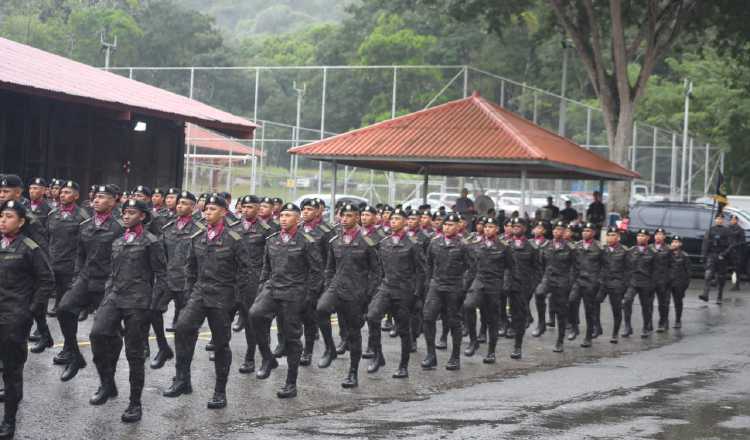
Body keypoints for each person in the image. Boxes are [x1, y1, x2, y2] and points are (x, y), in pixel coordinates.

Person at [163, 195, 251, 409]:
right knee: (183, 329)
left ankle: (220, 391)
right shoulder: (198, 236)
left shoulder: (235, 238)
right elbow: (190, 268)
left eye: (212, 209)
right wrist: (189, 292)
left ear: (223, 212)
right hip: (200, 293)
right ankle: (183, 380)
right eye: (206, 209)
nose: (207, 213)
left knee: (221, 344)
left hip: (223, 296)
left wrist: (237, 301)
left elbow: (245, 272)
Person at [88, 199, 167, 423]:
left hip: (138, 302)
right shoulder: (118, 241)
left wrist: (153, 305)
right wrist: (106, 296)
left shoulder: (151, 242)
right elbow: (113, 273)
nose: (125, 216)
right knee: (97, 334)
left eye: (131, 213)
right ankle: (107, 382)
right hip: (114, 297)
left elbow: (161, 275)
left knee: (134, 354)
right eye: (124, 212)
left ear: (142, 216)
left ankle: (135, 403)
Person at [250, 203, 322, 399]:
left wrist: (309, 297)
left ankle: (291, 383)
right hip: (273, 288)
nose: (283, 218)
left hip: (294, 292)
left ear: (297, 220)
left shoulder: (307, 241)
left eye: (288, 215)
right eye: (281, 215)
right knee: (255, 314)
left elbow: (316, 272)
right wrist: (261, 289)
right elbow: (266, 268)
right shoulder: (272, 240)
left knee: (291, 338)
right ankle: (267, 358)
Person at [55, 185, 124, 382]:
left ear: (112, 202)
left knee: (110, 330)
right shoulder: (85, 225)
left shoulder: (119, 227)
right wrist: (77, 276)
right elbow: (80, 253)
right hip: (86, 278)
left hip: (107, 282)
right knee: (64, 309)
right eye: (95, 196)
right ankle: (74, 356)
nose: (96, 200)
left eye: (102, 197)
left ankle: (109, 372)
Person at [0, 200, 55, 439]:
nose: (3, 220)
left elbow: (46, 281)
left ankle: (9, 420)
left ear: (21, 222)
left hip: (14, 317)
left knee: (12, 371)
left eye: (9, 217)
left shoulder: (30, 247)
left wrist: (30, 311)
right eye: (1, 216)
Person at [317, 204, 381, 388]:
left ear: (357, 218)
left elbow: (376, 272)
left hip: (356, 291)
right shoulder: (335, 241)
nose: (344, 219)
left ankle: (353, 373)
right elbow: (329, 267)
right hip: (336, 287)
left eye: (349, 215)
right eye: (342, 215)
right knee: (321, 310)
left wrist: (367, 295)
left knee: (354, 334)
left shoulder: (366, 241)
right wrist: (329, 285)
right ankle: (330, 348)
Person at [366, 208, 425, 378]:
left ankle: (403, 365)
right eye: (392, 219)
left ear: (405, 222)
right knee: (371, 317)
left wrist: (417, 295)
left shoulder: (413, 244)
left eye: (398, 219)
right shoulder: (384, 242)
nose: (393, 221)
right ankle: (378, 356)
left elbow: (421, 271)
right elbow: (379, 268)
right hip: (386, 288)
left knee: (403, 330)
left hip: (404, 291)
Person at [149, 191, 203, 369]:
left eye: (185, 203)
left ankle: (184, 362)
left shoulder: (200, 230)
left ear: (193, 207)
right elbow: (161, 255)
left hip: (188, 283)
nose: (180, 206)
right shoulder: (168, 228)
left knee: (186, 327)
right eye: (178, 203)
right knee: (153, 311)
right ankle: (163, 347)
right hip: (169, 280)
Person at [422, 213, 471, 371]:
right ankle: (431, 355)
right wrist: (430, 282)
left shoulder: (463, 245)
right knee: (428, 317)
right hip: (436, 286)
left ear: (458, 226)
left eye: (451, 225)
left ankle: (455, 356)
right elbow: (428, 264)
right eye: (445, 225)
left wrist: (463, 286)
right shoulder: (435, 243)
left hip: (454, 287)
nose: (447, 227)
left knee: (453, 322)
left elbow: (472, 268)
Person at [44, 180, 89, 350]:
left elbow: (85, 246)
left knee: (68, 309)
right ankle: (43, 332)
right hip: (52, 263)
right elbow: (48, 239)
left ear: (76, 196)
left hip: (71, 267)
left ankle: (69, 346)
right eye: (62, 192)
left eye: (68, 192)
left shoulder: (83, 218)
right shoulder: (52, 214)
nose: (63, 195)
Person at [231, 195, 274, 374]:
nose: (246, 210)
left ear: (258, 209)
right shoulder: (234, 228)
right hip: (233, 279)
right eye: (244, 207)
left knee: (250, 320)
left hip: (254, 279)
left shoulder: (267, 229)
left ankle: (250, 357)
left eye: (250, 207)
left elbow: (271, 258)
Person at [463, 217, 512, 362]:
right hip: (479, 281)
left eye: (491, 227)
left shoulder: (504, 247)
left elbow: (510, 267)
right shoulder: (476, 245)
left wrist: (506, 285)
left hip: (494, 284)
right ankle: (473, 340)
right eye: (485, 227)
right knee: (468, 306)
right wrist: (467, 284)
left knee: (492, 318)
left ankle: (491, 351)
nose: (487, 229)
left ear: (497, 229)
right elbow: (471, 266)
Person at [535, 221, 576, 353]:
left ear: (564, 232)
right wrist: (543, 277)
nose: (557, 232)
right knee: (539, 293)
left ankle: (560, 340)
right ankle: (541, 323)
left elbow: (575, 267)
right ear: (552, 232)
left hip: (562, 280)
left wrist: (569, 282)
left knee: (561, 311)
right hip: (548, 278)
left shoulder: (570, 248)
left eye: (560, 230)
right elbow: (541, 263)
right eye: (555, 230)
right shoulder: (546, 245)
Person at [505, 217, 537, 358]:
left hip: (523, 285)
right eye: (514, 226)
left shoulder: (531, 247)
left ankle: (518, 346)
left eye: (519, 226)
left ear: (524, 228)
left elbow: (537, 269)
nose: (515, 228)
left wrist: (532, 286)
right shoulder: (506, 245)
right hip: (508, 284)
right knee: (509, 312)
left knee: (519, 315)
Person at [571, 222, 603, 347]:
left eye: (588, 231)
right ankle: (574, 327)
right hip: (578, 281)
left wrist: (599, 281)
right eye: (584, 230)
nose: (585, 233)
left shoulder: (599, 248)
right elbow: (573, 264)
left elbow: (604, 266)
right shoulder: (577, 246)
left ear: (593, 233)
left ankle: (588, 336)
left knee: (589, 310)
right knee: (572, 301)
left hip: (591, 282)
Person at [598, 227, 630, 343]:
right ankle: (597, 326)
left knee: (616, 310)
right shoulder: (603, 250)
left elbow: (629, 269)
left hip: (617, 284)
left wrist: (624, 285)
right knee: (594, 302)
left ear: (618, 237)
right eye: (608, 235)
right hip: (603, 283)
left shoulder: (624, 251)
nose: (610, 237)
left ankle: (615, 333)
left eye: (613, 235)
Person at [624, 229, 655, 338]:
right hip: (633, 282)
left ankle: (646, 327)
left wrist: (653, 285)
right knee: (627, 301)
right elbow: (626, 267)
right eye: (638, 236)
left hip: (646, 283)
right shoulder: (631, 251)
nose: (640, 238)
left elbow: (655, 270)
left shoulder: (653, 252)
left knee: (646, 306)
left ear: (648, 238)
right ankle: (627, 326)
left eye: (643, 236)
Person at [699, 213, 732, 304]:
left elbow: (730, 245)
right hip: (712, 255)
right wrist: (703, 256)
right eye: (718, 218)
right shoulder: (710, 230)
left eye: (721, 219)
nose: (719, 220)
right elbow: (705, 244)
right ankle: (705, 294)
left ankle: (719, 296)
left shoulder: (727, 231)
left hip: (722, 256)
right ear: (715, 219)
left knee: (721, 278)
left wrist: (724, 254)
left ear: (723, 220)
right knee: (708, 275)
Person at [651, 228, 673, 332]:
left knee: (663, 303)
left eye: (661, 234)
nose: (658, 236)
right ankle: (648, 323)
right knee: (648, 302)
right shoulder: (649, 247)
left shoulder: (669, 249)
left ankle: (663, 322)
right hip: (651, 279)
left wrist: (669, 278)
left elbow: (673, 265)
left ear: (664, 237)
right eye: (657, 234)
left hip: (664, 280)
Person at [669, 236, 690, 328]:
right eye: (673, 242)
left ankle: (678, 320)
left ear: (680, 244)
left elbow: (688, 272)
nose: (674, 243)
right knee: (664, 302)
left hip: (679, 282)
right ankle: (664, 321)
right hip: (667, 282)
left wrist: (685, 286)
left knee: (678, 302)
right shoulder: (666, 254)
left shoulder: (684, 256)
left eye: (677, 242)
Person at [728, 215, 745, 291]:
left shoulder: (740, 230)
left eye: (734, 219)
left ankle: (736, 285)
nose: (732, 221)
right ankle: (716, 281)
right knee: (723, 266)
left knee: (736, 269)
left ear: (737, 221)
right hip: (728, 251)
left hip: (736, 251)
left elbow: (742, 242)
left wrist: (735, 245)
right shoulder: (728, 228)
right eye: (731, 219)